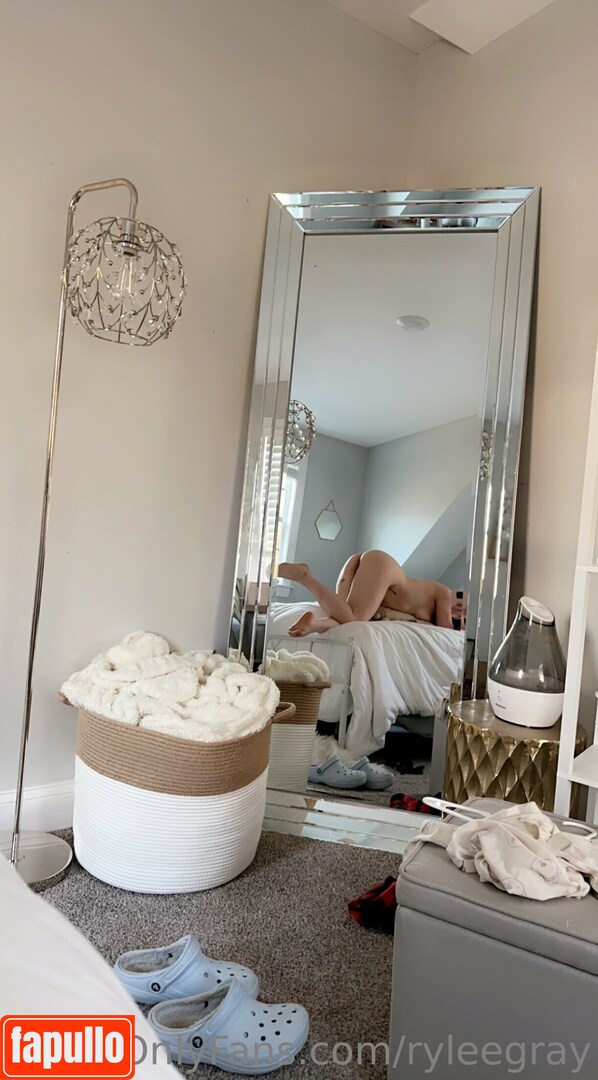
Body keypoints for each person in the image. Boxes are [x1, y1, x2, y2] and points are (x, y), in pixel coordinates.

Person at [278, 549, 454, 637]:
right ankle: (305, 577)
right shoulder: (445, 593)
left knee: (343, 614)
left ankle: (314, 623)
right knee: (355, 617)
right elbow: (447, 632)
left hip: (364, 563)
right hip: (384, 566)